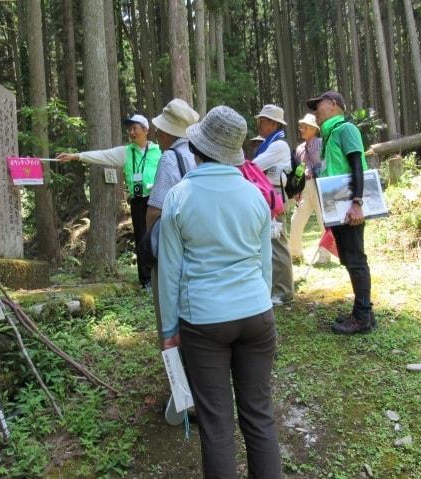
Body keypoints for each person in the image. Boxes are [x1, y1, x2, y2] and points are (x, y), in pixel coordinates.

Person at [158, 106, 282, 478]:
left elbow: (169, 273)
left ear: (197, 148)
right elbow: (264, 267)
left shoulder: (179, 197)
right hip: (258, 316)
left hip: (204, 322)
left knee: (216, 425)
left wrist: (168, 331)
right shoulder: (254, 196)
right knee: (259, 416)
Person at [57, 115, 161, 288]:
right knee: (141, 238)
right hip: (137, 201)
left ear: (145, 130)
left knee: (160, 236)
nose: (131, 132)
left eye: (135, 128)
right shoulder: (126, 152)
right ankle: (146, 280)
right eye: (129, 129)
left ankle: (161, 275)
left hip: (156, 199)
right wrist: (75, 156)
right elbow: (101, 156)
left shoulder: (159, 151)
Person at [307, 91, 375, 334]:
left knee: (355, 259)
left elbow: (358, 165)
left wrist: (357, 202)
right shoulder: (329, 135)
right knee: (349, 258)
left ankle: (363, 317)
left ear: (335, 104)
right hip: (338, 208)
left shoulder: (346, 129)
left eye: (319, 105)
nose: (316, 111)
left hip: (349, 208)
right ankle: (364, 311)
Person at [145, 98, 199, 347]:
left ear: (167, 132)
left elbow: (155, 209)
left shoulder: (169, 158)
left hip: (172, 243)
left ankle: (175, 364)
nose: (157, 133)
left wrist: (152, 243)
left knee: (167, 301)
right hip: (196, 241)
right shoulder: (198, 154)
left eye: (160, 129)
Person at [252, 104, 294, 305]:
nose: (260, 124)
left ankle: (284, 291)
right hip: (270, 196)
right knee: (271, 241)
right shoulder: (270, 143)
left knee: (278, 242)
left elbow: (256, 166)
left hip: (275, 197)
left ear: (274, 124)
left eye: (264, 121)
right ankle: (277, 287)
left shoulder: (278, 145)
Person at [289, 113, 331, 265]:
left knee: (323, 221)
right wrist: (296, 188)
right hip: (305, 187)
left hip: (319, 184)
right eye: (301, 126)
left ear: (314, 129)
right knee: (296, 220)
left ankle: (324, 256)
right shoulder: (299, 148)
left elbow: (325, 165)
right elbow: (299, 169)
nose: (302, 129)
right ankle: (295, 254)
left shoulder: (322, 144)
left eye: (305, 127)